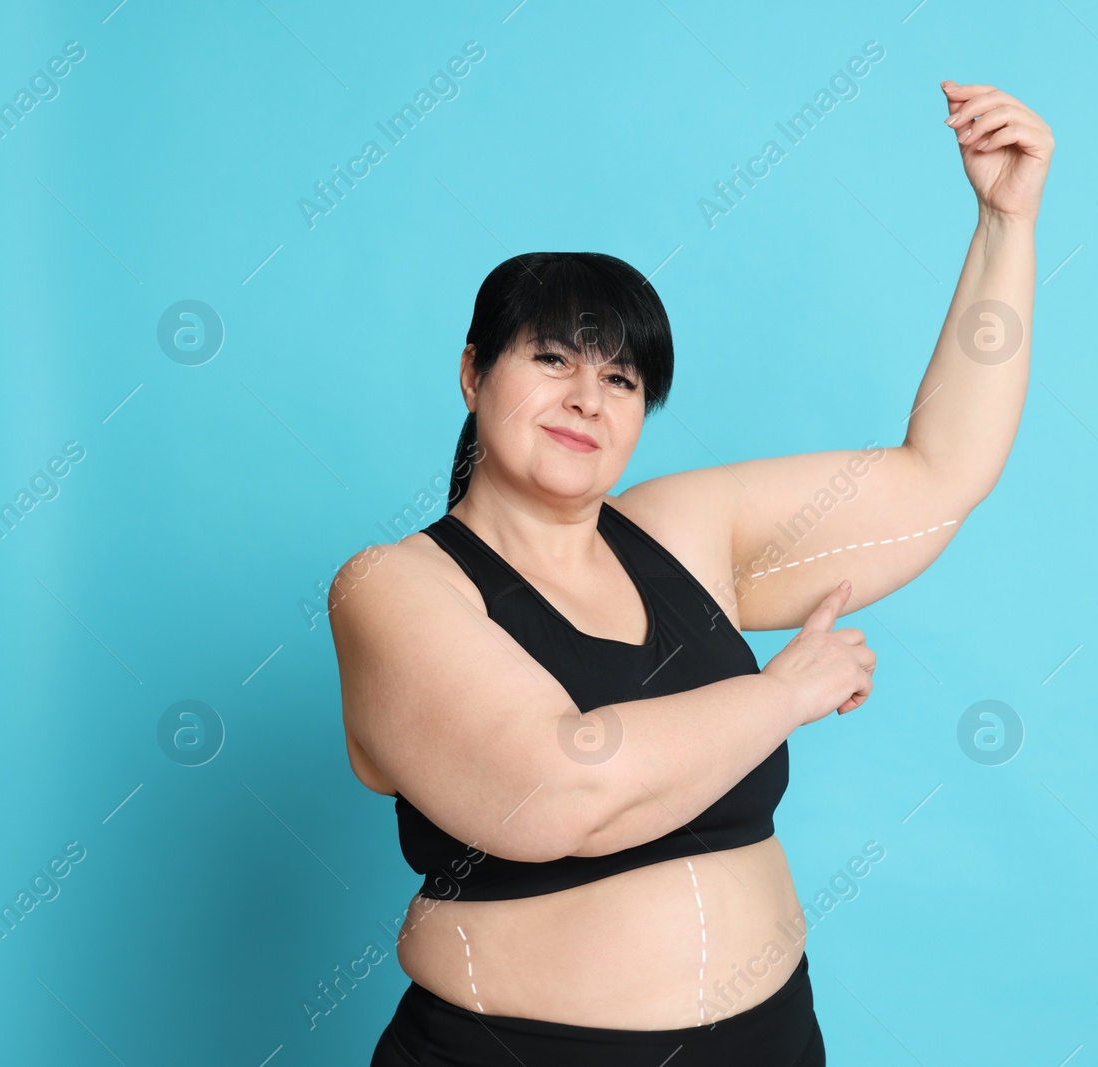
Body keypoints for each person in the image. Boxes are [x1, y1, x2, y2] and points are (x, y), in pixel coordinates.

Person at [330, 79, 1051, 1066]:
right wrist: (780, 694)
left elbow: (939, 477)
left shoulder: (681, 531)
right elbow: (554, 792)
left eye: (622, 379)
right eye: (552, 361)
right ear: (473, 373)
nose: (589, 397)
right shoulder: (394, 585)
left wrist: (1005, 225)